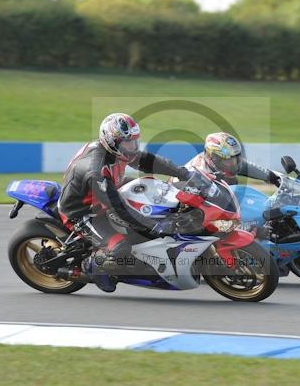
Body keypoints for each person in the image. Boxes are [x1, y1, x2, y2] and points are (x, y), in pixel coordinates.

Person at [58, 113, 198, 292]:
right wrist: (152, 225)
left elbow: (147, 161)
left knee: (151, 186)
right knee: (121, 246)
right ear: (111, 141)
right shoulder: (96, 171)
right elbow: (117, 208)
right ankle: (93, 267)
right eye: (127, 142)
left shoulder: (116, 151)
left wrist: (183, 173)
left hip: (105, 193)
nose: (132, 147)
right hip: (83, 211)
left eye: (134, 141)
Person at [184, 132, 282, 187]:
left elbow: (248, 167)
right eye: (228, 160)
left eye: (236, 159)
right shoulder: (197, 171)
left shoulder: (230, 164)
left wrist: (272, 177)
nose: (233, 164)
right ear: (212, 158)